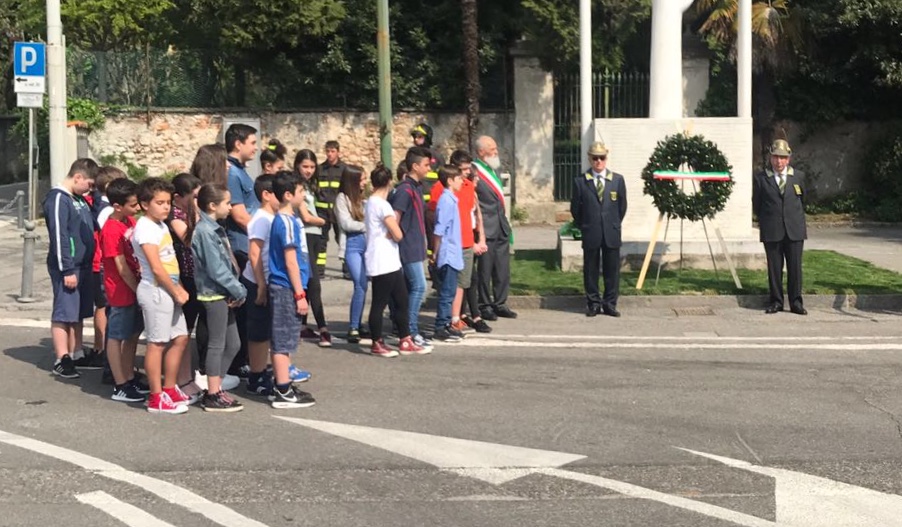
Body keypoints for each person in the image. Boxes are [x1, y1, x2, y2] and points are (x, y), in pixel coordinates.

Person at [132, 178, 191, 414]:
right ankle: (156, 397)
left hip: (170, 288)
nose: (166, 207)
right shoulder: (145, 228)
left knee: (180, 337)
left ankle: (169, 386)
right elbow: (156, 267)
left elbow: (171, 260)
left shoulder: (161, 225)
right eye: (160, 202)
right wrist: (175, 289)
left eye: (168, 202)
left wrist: (180, 286)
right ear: (145, 204)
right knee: (157, 343)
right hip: (156, 290)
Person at [192, 183, 248, 412]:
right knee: (217, 343)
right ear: (213, 205)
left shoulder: (216, 227)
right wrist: (239, 289)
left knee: (233, 344)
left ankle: (215, 386)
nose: (230, 207)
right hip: (213, 294)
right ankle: (212, 394)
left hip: (224, 292)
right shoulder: (205, 231)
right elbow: (216, 269)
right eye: (227, 203)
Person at [43, 158, 99, 379]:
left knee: (78, 311)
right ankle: (62, 357)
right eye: (90, 184)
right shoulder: (58, 199)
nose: (91, 189)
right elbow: (60, 235)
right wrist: (66, 269)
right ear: (78, 177)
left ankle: (76, 352)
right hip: (68, 266)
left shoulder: (79, 199)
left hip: (83, 264)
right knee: (64, 312)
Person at [366, 165, 427, 357]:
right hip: (382, 259)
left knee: (402, 299)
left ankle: (405, 338)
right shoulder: (382, 205)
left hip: (390, 260)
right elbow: (398, 233)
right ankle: (377, 342)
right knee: (380, 302)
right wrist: (396, 233)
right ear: (389, 182)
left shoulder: (370, 202)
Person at [267, 171, 317, 409]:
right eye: (300, 191)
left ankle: (283, 382)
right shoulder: (285, 222)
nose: (304, 194)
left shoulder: (288, 219)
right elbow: (290, 261)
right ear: (288, 195)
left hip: (286, 287)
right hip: (286, 287)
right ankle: (283, 390)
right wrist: (300, 293)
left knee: (285, 338)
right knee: (282, 341)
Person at [99, 177, 147, 402]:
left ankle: (128, 375)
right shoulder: (111, 229)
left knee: (132, 334)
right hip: (120, 290)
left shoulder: (128, 221)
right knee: (117, 336)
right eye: (132, 204)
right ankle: (119, 383)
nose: (136, 208)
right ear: (117, 205)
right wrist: (138, 289)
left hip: (133, 287)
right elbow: (121, 266)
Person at [569, 141, 628, 318]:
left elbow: (622, 206)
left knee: (612, 270)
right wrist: (585, 224)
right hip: (591, 230)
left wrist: (614, 222)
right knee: (591, 269)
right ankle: (593, 303)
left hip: (611, 231)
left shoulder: (617, 180)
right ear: (590, 159)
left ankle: (610, 303)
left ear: (606, 159)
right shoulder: (580, 181)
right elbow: (575, 209)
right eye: (595, 158)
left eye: (601, 158)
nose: (598, 162)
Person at [436, 150, 491, 334]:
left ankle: (456, 318)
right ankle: (449, 320)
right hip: (451, 244)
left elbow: (473, 213)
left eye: (469, 168)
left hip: (466, 241)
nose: (468, 172)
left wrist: (479, 238)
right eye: (464, 169)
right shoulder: (441, 189)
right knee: (451, 286)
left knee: (463, 283)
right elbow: (437, 221)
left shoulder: (467, 186)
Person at [753, 139, 808, 315]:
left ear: (788, 159)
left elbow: (803, 200)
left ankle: (796, 302)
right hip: (773, 229)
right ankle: (776, 301)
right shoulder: (761, 178)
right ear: (771, 158)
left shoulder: (798, 177)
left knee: (795, 268)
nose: (779, 161)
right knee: (774, 269)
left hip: (794, 229)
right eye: (776, 157)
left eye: (783, 158)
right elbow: (757, 205)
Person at [167, 173, 205, 402]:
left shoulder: (189, 213)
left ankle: (187, 377)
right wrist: (199, 216)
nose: (198, 201)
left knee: (186, 332)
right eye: (195, 196)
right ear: (178, 197)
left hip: (195, 276)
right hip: (183, 278)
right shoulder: (175, 215)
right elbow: (191, 240)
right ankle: (179, 380)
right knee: (181, 332)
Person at [224, 126, 258, 379]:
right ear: (238, 143)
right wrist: (264, 233)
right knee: (244, 306)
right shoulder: (232, 174)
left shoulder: (240, 171)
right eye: (252, 142)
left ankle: (244, 357)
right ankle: (239, 361)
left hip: (247, 244)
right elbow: (238, 214)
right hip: (241, 246)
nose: (256, 147)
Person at [390, 147, 432, 349]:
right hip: (407, 248)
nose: (428, 168)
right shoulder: (405, 190)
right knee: (419, 287)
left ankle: (406, 328)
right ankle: (411, 330)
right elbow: (395, 220)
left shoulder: (416, 187)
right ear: (415, 166)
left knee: (410, 288)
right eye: (425, 164)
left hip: (416, 246)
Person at [472, 136, 517, 320]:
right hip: (486, 227)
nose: (496, 151)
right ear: (481, 151)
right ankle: (485, 305)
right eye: (492, 148)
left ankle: (500, 302)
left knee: (502, 268)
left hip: (500, 225)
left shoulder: (493, 169)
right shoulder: (475, 170)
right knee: (485, 270)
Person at [295, 149, 332, 348]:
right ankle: (323, 327)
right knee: (313, 281)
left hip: (316, 236)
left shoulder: (311, 185)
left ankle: (302, 325)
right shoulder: (297, 186)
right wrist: (323, 220)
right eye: (305, 166)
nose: (308, 170)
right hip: (305, 234)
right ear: (297, 166)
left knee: (309, 280)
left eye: (311, 166)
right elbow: (306, 216)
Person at [431, 166, 466, 342]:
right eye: (459, 178)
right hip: (447, 253)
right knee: (446, 292)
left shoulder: (452, 200)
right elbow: (439, 229)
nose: (462, 181)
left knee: (451, 291)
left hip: (453, 252)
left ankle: (445, 324)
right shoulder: (446, 200)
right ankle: (441, 326)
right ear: (450, 181)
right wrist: (435, 252)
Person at [335, 165, 368, 344]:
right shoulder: (342, 198)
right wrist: (366, 226)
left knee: (365, 286)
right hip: (352, 246)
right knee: (360, 283)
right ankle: (353, 327)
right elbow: (346, 224)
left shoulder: (362, 198)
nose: (364, 182)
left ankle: (359, 323)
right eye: (362, 179)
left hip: (366, 245)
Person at [316, 140, 346, 278]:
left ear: (338, 152)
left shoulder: (344, 169)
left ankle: (347, 270)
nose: (330, 154)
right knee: (321, 242)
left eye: (332, 151)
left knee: (342, 240)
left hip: (338, 212)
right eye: (327, 151)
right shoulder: (320, 169)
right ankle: (319, 271)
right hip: (322, 212)